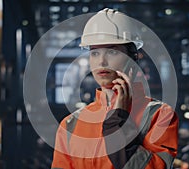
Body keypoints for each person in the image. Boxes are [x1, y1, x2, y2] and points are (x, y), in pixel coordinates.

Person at [51, 8, 179, 169]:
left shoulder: (159, 115)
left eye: (112, 51)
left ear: (132, 58)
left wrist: (117, 125)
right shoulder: (70, 125)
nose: (101, 61)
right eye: (95, 53)